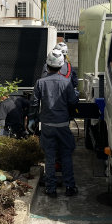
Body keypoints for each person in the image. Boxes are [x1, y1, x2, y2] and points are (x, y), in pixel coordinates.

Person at [31, 48, 79, 198]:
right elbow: (73, 101)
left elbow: (34, 103)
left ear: (47, 65)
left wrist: (32, 119)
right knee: (66, 156)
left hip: (47, 126)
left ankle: (50, 189)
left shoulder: (40, 83)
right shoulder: (66, 82)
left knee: (50, 157)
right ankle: (70, 187)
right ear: (61, 65)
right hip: (63, 125)